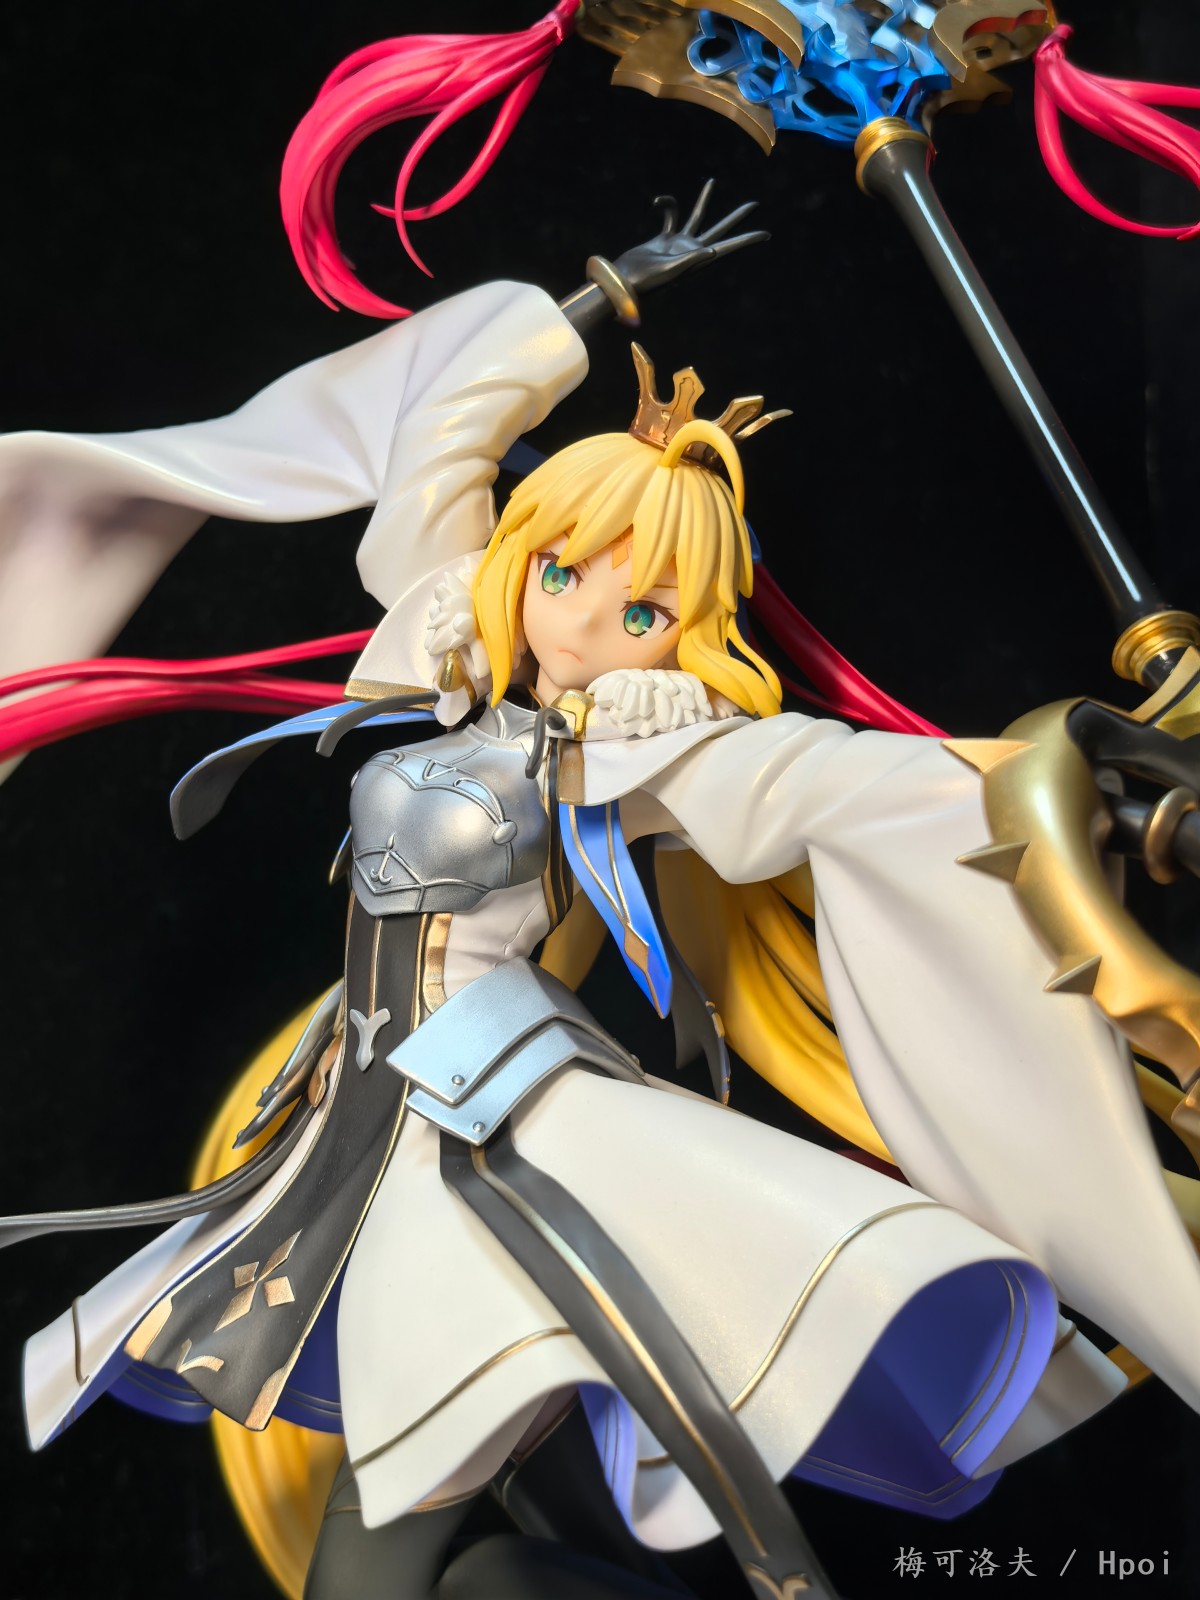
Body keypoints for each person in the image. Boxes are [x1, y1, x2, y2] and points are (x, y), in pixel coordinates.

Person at [8, 226, 1200, 1597]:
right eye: (562, 572)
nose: (580, 621)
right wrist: (593, 299)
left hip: (494, 1134)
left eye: (642, 609)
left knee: (396, 1521)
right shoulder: (449, 639)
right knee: (497, 1524)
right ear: (521, 558)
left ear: (685, 632)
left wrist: (1089, 791)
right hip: (357, 1124)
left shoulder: (639, 751)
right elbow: (443, 439)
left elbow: (857, 783)